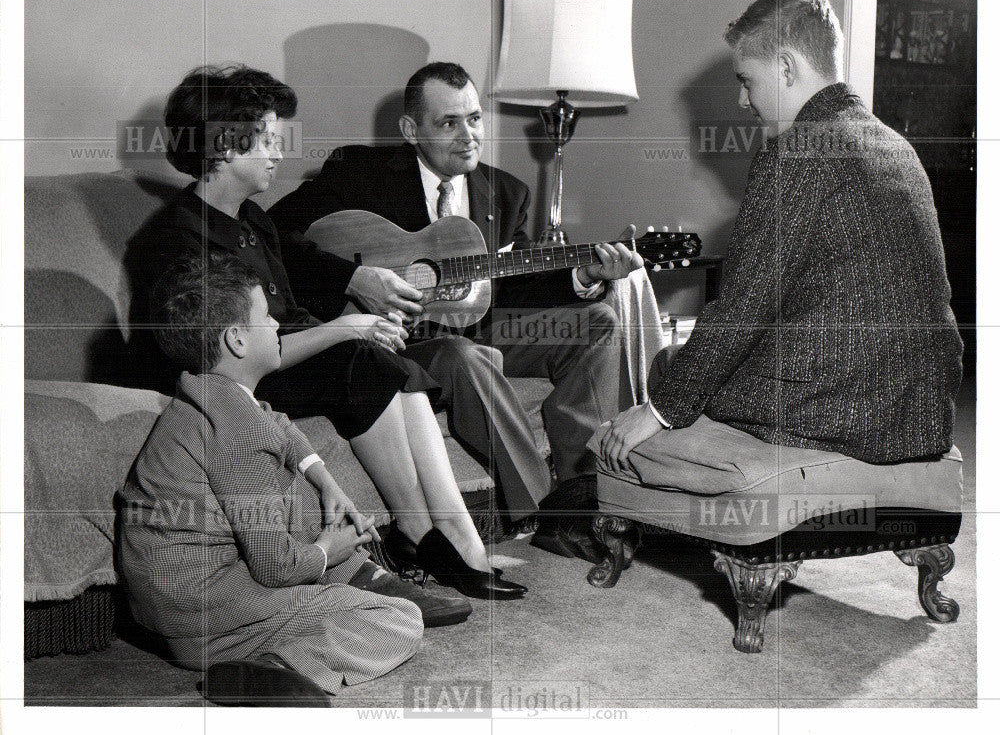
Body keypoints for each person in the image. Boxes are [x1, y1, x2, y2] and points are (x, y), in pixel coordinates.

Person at [128, 65, 525, 602]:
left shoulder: (252, 222)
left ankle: (449, 533)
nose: (277, 152)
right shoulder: (176, 238)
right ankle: (426, 534)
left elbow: (294, 300)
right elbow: (224, 360)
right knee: (357, 357)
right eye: (267, 139)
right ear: (224, 146)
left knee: (383, 355)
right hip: (225, 383)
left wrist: (357, 325)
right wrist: (344, 328)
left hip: (275, 358)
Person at [268, 62, 643, 562]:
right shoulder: (359, 173)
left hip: (475, 322)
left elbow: (519, 283)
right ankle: (545, 510)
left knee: (598, 321)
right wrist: (354, 278)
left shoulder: (505, 192)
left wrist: (587, 276)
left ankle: (582, 493)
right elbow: (275, 235)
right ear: (411, 130)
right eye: (449, 123)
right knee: (466, 355)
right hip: (391, 338)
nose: (468, 136)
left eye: (474, 119)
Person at [593, 0, 963, 475]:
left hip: (840, 408)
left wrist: (657, 412)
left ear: (787, 67)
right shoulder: (896, 146)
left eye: (747, 80)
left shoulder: (794, 154)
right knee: (689, 364)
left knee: (664, 374)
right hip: (922, 407)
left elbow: (744, 307)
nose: (742, 100)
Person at [116, 252, 425, 705]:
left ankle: (340, 583)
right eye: (266, 317)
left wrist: (323, 478)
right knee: (399, 619)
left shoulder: (205, 396)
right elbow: (274, 568)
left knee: (291, 488)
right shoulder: (243, 434)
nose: (279, 326)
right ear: (237, 339)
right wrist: (326, 551)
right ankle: (273, 668)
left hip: (168, 606)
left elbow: (276, 421)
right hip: (209, 618)